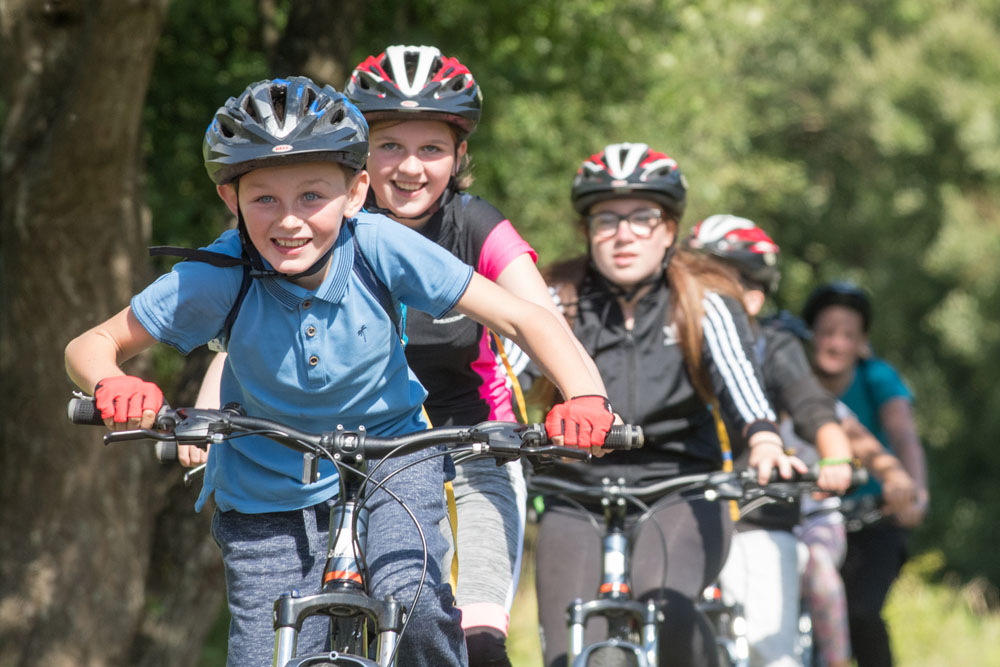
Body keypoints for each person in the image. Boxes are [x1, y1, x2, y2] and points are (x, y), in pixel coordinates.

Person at [63, 77, 615, 667]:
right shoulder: (219, 273)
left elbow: (525, 318)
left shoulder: (379, 245)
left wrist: (585, 396)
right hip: (264, 483)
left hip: (395, 458)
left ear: (355, 193)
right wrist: (111, 382)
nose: (289, 222)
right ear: (231, 199)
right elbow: (90, 344)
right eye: (264, 199)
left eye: (312, 197)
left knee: (419, 607)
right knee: (265, 651)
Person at [343, 45, 605, 666]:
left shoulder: (475, 224)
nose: (410, 167)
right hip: (358, 451)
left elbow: (540, 319)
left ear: (460, 156)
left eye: (431, 149)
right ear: (359, 155)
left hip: (475, 449)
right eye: (389, 146)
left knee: (477, 640)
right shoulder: (328, 226)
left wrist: (583, 397)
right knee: (339, 619)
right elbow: (253, 323)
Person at [525, 143, 804, 667]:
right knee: (565, 650)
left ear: (670, 230)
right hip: (572, 490)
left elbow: (741, 384)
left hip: (680, 490)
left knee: (666, 609)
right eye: (606, 218)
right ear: (587, 231)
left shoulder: (704, 301)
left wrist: (764, 439)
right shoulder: (552, 298)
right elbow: (508, 386)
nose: (624, 233)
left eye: (642, 218)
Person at [685, 215, 853, 667]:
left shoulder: (775, 346)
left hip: (757, 515)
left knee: (768, 648)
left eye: (717, 278)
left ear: (754, 295)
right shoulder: (665, 340)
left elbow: (814, 409)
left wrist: (836, 456)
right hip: (674, 507)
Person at [801, 281, 929, 667]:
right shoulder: (790, 381)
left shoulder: (877, 378)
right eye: (826, 332)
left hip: (871, 516)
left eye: (848, 335)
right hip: (803, 517)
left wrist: (915, 492)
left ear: (862, 342)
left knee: (860, 612)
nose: (836, 343)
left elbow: (903, 436)